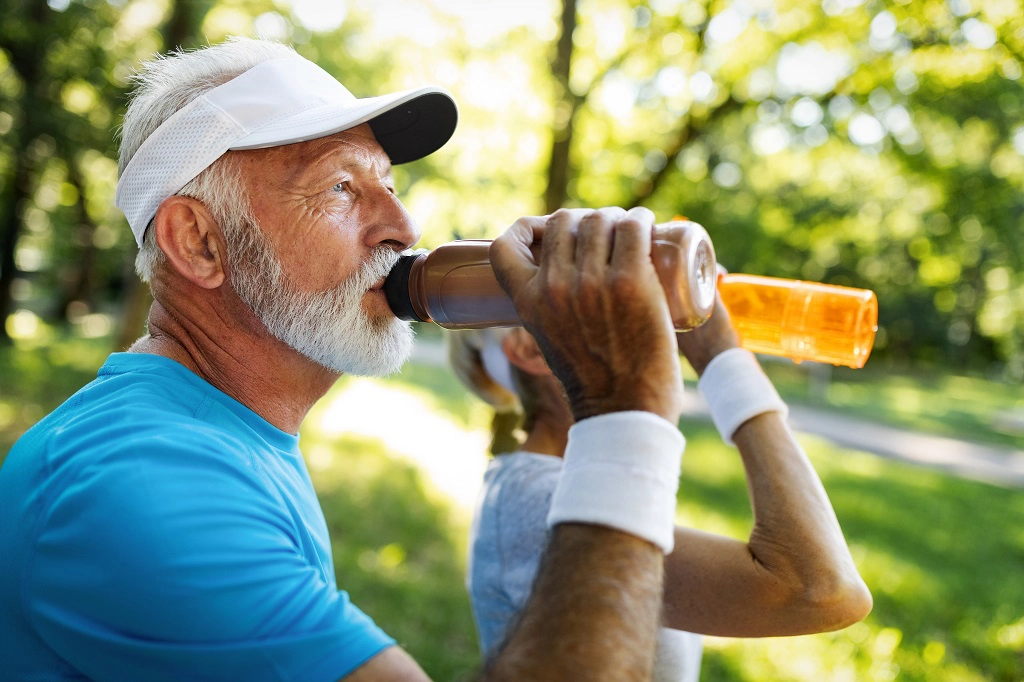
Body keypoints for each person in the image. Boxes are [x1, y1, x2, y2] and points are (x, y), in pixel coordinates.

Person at [0, 35, 868, 681]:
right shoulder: (142, 483)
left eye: (390, 184)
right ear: (199, 241)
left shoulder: (218, 434)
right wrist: (626, 409)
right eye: (342, 187)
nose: (405, 229)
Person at [450, 297, 873, 681]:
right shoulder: (541, 500)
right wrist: (723, 361)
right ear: (527, 348)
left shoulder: (579, 481)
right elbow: (822, 590)